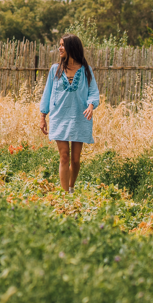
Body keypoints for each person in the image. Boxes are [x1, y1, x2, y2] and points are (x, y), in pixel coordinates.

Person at [39, 34, 100, 192]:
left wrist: (91, 105)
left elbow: (93, 92)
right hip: (60, 117)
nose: (59, 48)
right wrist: (42, 117)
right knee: (64, 156)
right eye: (59, 45)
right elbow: (47, 94)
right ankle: (65, 194)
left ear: (72, 47)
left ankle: (71, 186)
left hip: (80, 117)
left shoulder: (86, 70)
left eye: (62, 45)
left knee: (76, 159)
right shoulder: (55, 70)